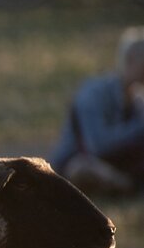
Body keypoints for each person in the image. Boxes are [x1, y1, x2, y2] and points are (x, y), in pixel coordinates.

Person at [50, 26, 144, 195]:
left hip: (116, 163)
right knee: (83, 169)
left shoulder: (137, 97)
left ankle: (124, 184)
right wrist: (139, 127)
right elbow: (98, 145)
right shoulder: (93, 93)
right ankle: (125, 185)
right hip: (80, 162)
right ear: (130, 60)